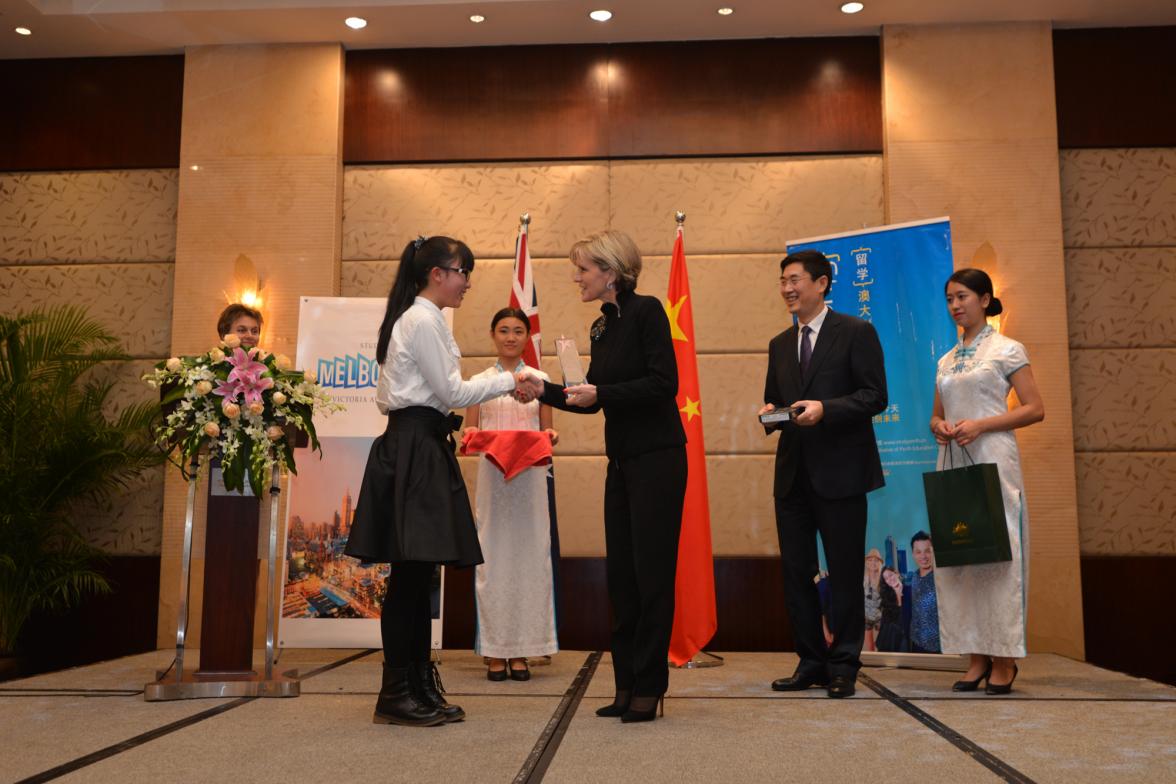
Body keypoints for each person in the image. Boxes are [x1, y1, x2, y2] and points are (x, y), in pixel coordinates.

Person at [344, 236, 543, 727]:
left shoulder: (421, 318)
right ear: (437, 273)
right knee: (409, 579)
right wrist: (510, 377)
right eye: (462, 272)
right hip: (414, 448)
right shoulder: (422, 319)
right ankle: (396, 693)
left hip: (420, 446)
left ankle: (414, 684)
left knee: (417, 577)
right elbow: (451, 391)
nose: (467, 283)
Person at [538, 230, 686, 723]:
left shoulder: (647, 312)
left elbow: (663, 384)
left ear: (611, 272)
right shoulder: (601, 328)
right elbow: (591, 397)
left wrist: (600, 392)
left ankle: (650, 686)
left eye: (583, 269)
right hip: (621, 464)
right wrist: (542, 391)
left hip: (658, 461)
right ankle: (626, 685)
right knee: (621, 579)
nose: (575, 277)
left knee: (651, 577)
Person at [760, 248, 887, 699]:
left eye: (795, 279)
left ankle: (844, 665)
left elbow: (875, 397)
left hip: (842, 473)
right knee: (796, 573)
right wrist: (770, 414)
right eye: (782, 281)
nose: (787, 289)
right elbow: (776, 401)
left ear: (822, 283)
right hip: (793, 475)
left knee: (846, 570)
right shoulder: (779, 344)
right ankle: (810, 661)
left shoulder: (855, 332)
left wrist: (825, 410)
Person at [930, 267, 1044, 695]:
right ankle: (974, 655)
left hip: (993, 458)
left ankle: (1004, 658)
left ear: (984, 299)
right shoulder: (944, 359)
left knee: (999, 557)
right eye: (949, 299)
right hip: (954, 460)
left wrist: (982, 425)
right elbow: (935, 415)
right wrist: (940, 425)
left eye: (962, 297)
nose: (955, 305)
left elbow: (1035, 408)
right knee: (962, 558)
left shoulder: (1007, 349)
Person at [464, 308, 560, 682]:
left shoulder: (541, 379)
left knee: (531, 558)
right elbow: (469, 433)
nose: (510, 337)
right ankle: (494, 650)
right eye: (503, 330)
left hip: (532, 479)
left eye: (518, 331)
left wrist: (548, 439)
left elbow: (548, 432)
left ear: (527, 336)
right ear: (492, 335)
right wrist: (484, 440)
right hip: (493, 479)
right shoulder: (478, 381)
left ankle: (523, 651)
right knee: (494, 560)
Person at [908, 531, 941, 654]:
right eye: (918, 552)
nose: (923, 556)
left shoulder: (940, 577)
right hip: (916, 642)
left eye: (927, 551)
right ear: (913, 554)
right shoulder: (914, 577)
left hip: (938, 646)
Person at [875, 565, 909, 652]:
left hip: (906, 636)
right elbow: (892, 621)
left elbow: (907, 619)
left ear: (896, 574)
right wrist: (898, 595)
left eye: (890, 575)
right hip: (890, 639)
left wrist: (899, 594)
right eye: (886, 578)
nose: (890, 579)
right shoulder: (886, 596)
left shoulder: (909, 590)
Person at [863, 548, 884, 651]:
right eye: (870, 560)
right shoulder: (863, 580)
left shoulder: (884, 579)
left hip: (880, 619)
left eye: (876, 560)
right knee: (870, 648)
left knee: (880, 647)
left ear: (880, 563)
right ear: (867, 563)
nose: (873, 562)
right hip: (866, 618)